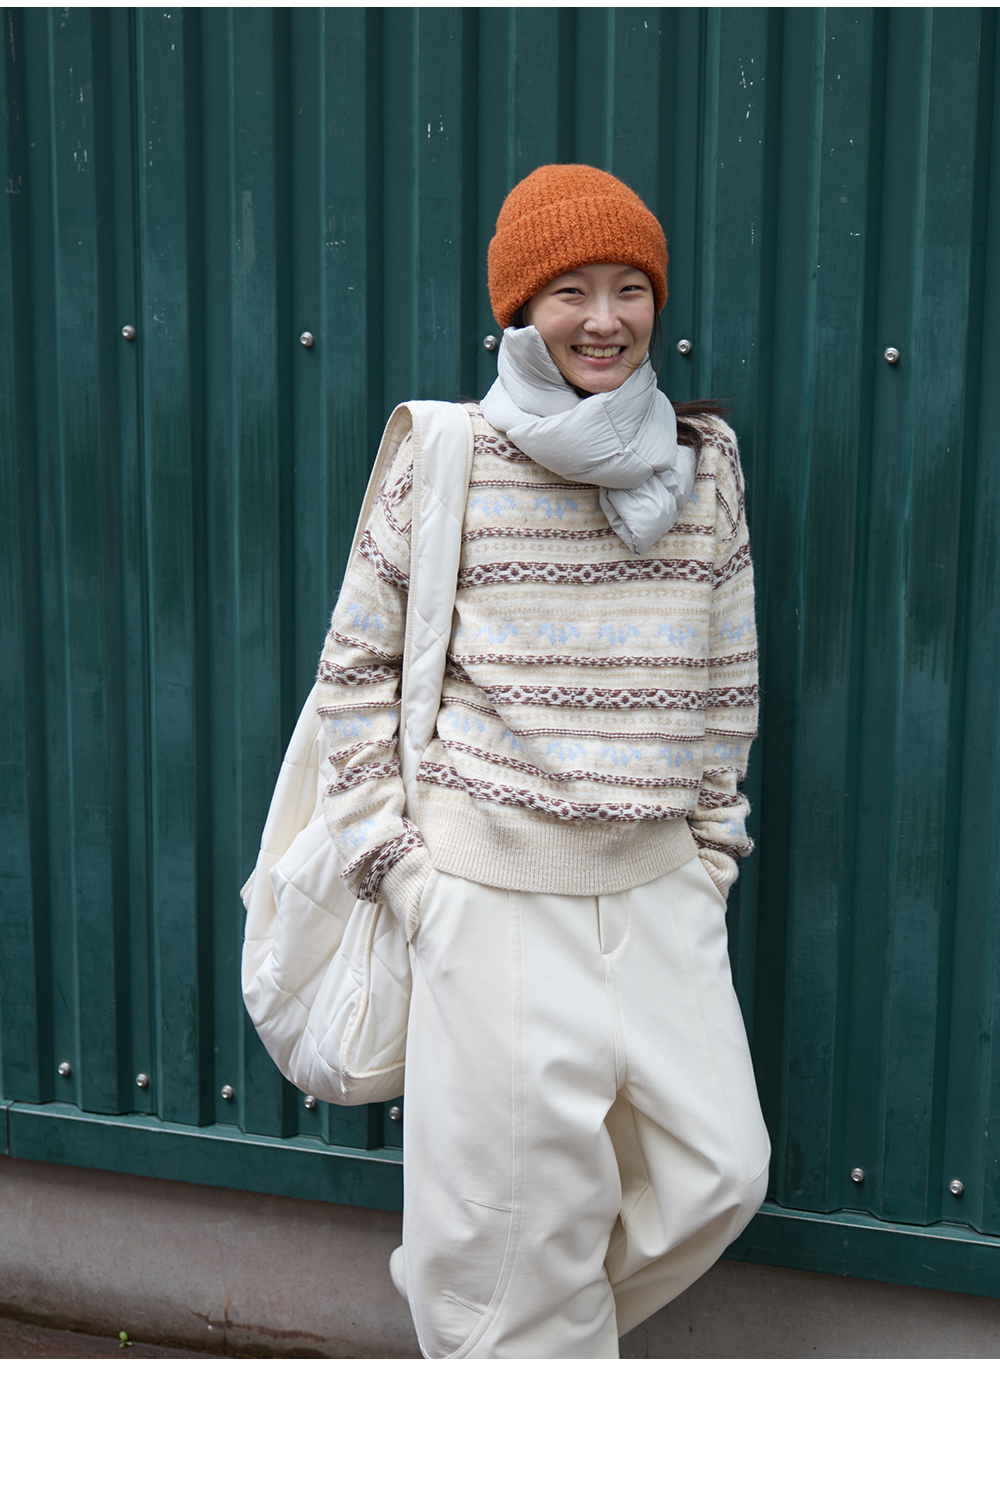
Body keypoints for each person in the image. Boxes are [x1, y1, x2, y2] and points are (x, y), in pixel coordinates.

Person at [315, 164, 770, 1359]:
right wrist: (404, 874)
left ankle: (512, 1345)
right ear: (519, 308)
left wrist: (711, 853)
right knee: (507, 1227)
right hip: (490, 893)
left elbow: (728, 674)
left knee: (722, 1170)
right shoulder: (449, 456)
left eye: (630, 288)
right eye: (571, 291)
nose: (605, 319)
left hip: (660, 887)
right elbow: (353, 675)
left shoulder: (704, 463)